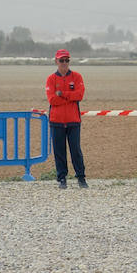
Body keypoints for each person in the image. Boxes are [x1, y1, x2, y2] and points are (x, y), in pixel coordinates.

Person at [45, 48, 86, 189]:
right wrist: (70, 97)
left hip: (73, 120)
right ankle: (62, 178)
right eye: (61, 60)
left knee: (76, 150)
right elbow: (52, 100)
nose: (64, 63)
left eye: (66, 60)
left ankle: (81, 177)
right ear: (56, 61)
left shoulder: (77, 77)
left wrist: (62, 94)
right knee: (59, 151)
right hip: (56, 121)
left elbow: (79, 95)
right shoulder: (51, 79)